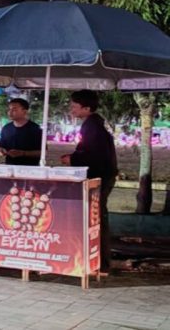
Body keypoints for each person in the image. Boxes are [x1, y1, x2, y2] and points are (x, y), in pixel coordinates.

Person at [60, 90, 117, 272]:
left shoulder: (92, 127)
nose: (71, 110)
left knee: (96, 219)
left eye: (74, 106)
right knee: (96, 218)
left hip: (99, 178)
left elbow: (94, 156)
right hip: (103, 176)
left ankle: (100, 263)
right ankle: (98, 261)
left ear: (86, 108)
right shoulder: (94, 125)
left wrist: (73, 159)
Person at [0, 98, 42, 165]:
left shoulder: (35, 129)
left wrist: (23, 153)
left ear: (24, 112)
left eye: (14, 109)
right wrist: (1, 151)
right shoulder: (6, 128)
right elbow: (1, 146)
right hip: (10, 167)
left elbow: (43, 152)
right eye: (9, 109)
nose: (10, 112)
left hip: (30, 168)